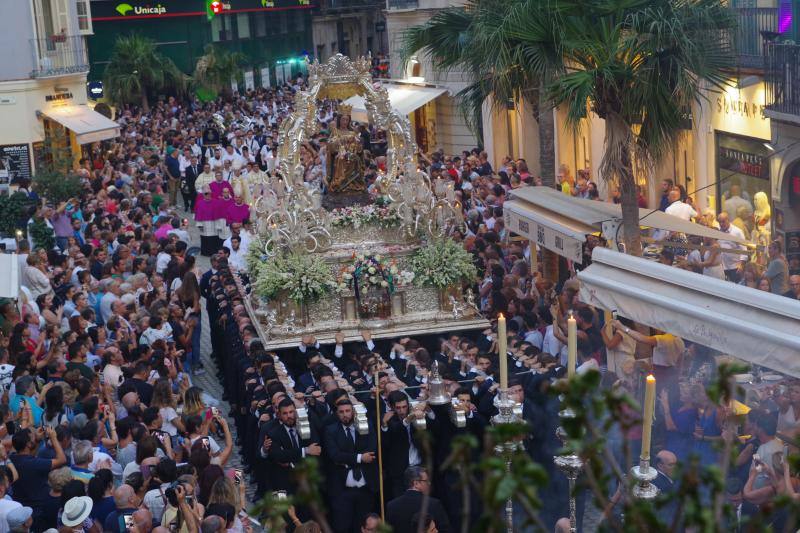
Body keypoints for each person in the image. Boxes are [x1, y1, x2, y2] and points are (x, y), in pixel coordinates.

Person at [323, 400, 378, 533]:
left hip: (365, 489)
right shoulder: (330, 431)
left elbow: (371, 452)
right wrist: (360, 458)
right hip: (342, 490)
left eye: (347, 411)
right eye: (341, 412)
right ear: (336, 413)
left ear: (353, 411)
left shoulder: (366, 426)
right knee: (342, 527)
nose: (345, 414)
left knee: (363, 526)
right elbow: (335, 455)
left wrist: (347, 459)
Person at [9, 427, 67, 530]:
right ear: (28, 444)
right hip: (40, 512)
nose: (36, 435)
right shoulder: (34, 464)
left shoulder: (12, 458)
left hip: (23, 511)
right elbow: (62, 459)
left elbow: (29, 454)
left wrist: (37, 440)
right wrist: (53, 438)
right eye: (33, 435)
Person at [385, 467, 451, 533]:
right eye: (426, 481)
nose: (429, 483)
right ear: (416, 483)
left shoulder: (391, 506)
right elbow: (445, 531)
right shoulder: (434, 504)